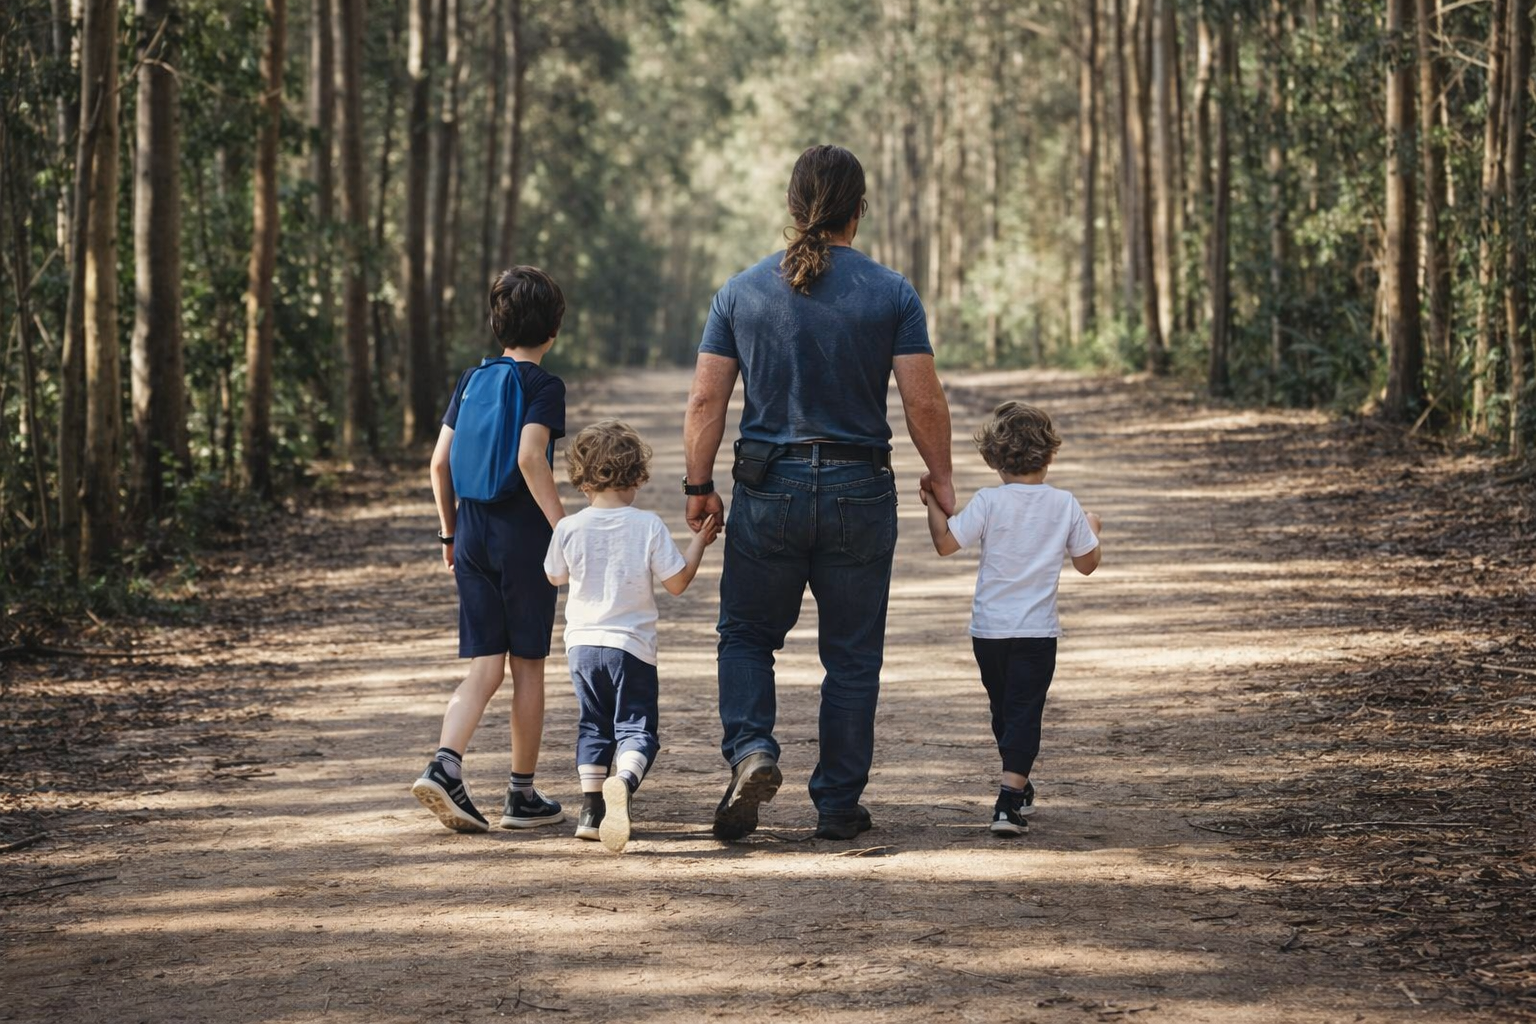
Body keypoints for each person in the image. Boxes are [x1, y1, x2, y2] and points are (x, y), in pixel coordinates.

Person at [682, 144, 956, 841]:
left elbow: (706, 400)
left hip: (767, 488)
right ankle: (837, 804)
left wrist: (698, 484)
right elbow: (923, 400)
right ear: (859, 210)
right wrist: (942, 474)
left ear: (792, 206)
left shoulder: (740, 292)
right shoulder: (891, 293)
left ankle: (753, 749)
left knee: (746, 635)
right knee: (853, 655)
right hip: (859, 488)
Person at [410, 266, 569, 833]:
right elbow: (530, 458)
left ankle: (445, 764)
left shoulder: (471, 379)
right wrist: (564, 529)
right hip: (522, 536)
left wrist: (449, 533)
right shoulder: (544, 386)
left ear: (497, 324)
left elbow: (438, 463)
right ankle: (521, 796)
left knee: (485, 666)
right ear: (553, 330)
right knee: (527, 666)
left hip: (471, 531)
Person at [920, 401, 1102, 836]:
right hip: (1036, 633)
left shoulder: (989, 501)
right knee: (1023, 712)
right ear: (1050, 454)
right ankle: (1008, 802)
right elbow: (1087, 564)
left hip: (989, 632)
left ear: (994, 459)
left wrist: (932, 502)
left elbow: (945, 543)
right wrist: (1093, 528)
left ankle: (1014, 787)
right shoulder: (1064, 504)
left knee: (1004, 710)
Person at [543, 420, 721, 853]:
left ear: (581, 478)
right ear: (638, 476)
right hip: (631, 648)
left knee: (593, 724)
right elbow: (677, 582)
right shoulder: (647, 525)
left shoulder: (569, 528)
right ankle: (622, 782)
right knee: (635, 727)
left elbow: (554, 576)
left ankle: (590, 812)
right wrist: (699, 542)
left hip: (582, 646)